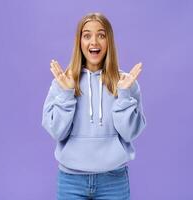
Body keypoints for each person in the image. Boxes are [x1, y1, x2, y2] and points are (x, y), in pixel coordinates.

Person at [41, 12, 147, 200]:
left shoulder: (126, 83)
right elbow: (56, 132)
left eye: (101, 35)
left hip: (113, 180)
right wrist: (66, 94)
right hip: (71, 180)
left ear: (109, 41)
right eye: (87, 35)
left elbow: (130, 133)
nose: (94, 42)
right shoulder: (63, 82)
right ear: (79, 42)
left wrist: (123, 95)